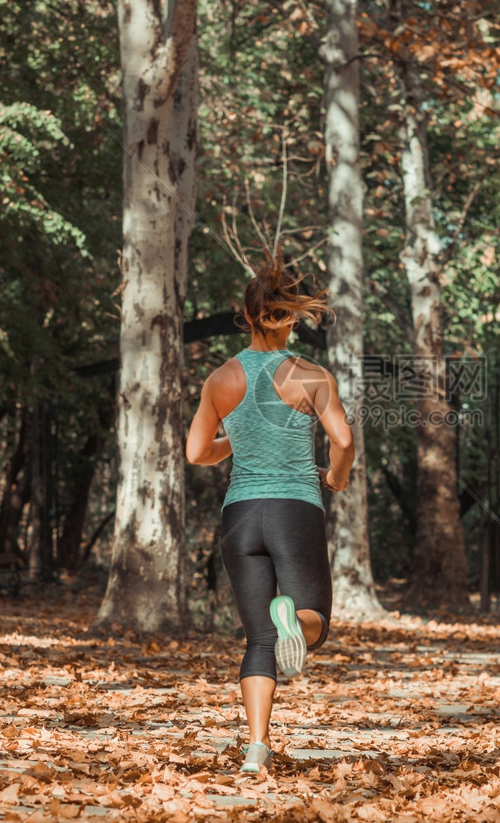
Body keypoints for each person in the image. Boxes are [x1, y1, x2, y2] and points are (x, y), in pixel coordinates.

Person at [185, 261, 354, 774]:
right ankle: (293, 619)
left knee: (258, 640)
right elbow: (343, 441)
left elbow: (196, 452)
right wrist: (337, 479)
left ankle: (255, 749)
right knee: (315, 624)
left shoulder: (221, 378)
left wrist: (240, 437)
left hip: (240, 515)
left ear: (246, 315)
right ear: (289, 319)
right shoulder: (308, 374)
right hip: (292, 509)